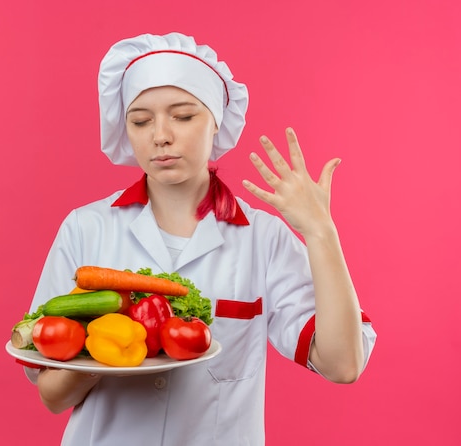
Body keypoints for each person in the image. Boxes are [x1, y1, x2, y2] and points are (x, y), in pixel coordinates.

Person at [24, 32, 376, 445]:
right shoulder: (86, 228)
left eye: (183, 116)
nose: (160, 135)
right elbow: (51, 395)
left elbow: (342, 364)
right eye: (140, 121)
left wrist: (321, 233)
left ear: (216, 122)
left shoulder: (263, 239)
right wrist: (110, 343)